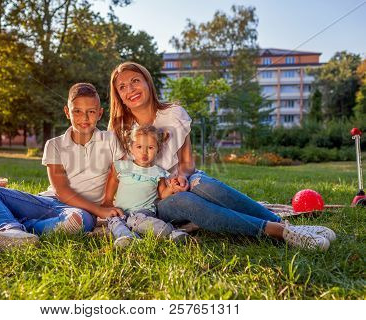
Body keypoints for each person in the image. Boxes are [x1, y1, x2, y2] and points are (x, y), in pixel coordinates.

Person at [108, 62, 336, 251]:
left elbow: (187, 163)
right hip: (157, 202)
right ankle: (276, 231)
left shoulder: (174, 114)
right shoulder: (119, 131)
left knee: (203, 185)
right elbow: (118, 176)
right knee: (188, 201)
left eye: (135, 81)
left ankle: (284, 225)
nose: (130, 89)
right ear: (119, 95)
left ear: (147, 81)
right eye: (122, 87)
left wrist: (182, 178)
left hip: (184, 179)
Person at [0, 83, 125, 250]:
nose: (84, 118)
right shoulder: (54, 145)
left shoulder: (110, 139)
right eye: (77, 111)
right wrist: (99, 210)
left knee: (81, 221)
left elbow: (116, 173)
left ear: (100, 114)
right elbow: (61, 191)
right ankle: (13, 231)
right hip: (50, 202)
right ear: (67, 112)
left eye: (91, 112)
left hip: (80, 212)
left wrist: (107, 202)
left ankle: (14, 223)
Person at [103, 125, 189, 248]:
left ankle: (171, 233)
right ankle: (127, 238)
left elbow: (163, 194)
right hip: (120, 210)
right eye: (139, 147)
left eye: (150, 148)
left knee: (135, 220)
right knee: (113, 221)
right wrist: (107, 200)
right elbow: (113, 181)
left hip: (144, 212)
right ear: (131, 148)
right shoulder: (122, 166)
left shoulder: (158, 172)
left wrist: (171, 188)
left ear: (158, 149)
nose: (144, 152)